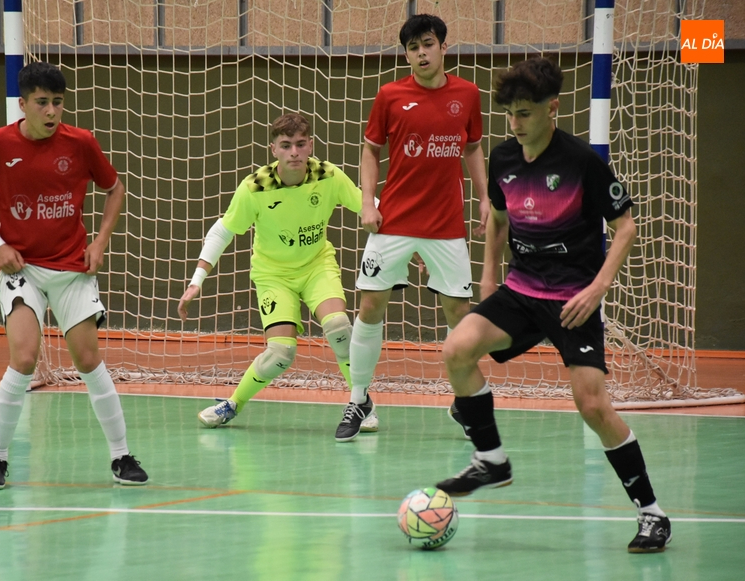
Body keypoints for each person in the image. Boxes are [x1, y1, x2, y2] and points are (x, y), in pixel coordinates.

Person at [436, 57, 671, 552]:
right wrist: (488, 278)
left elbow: (625, 226)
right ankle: (492, 461)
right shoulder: (503, 158)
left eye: (524, 114)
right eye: (511, 115)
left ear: (552, 108)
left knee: (592, 406)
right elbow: (497, 221)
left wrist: (596, 290)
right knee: (457, 349)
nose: (516, 124)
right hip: (521, 290)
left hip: (573, 301)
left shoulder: (581, 162)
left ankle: (651, 513)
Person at [0, 61, 148, 489]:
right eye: (42, 103)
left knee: (87, 360)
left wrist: (99, 241)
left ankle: (122, 457)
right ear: (23, 104)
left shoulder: (80, 143)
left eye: (58, 103)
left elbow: (115, 188)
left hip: (71, 268)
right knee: (24, 358)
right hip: (21, 268)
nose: (51, 112)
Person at [339, 13, 488, 442]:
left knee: (460, 314)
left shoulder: (467, 94)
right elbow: (370, 150)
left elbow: (474, 148)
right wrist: (368, 201)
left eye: (427, 44)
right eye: (412, 47)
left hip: (446, 225)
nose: (420, 53)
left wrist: (482, 197)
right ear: (406, 54)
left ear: (443, 46)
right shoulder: (389, 96)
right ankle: (359, 397)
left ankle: (463, 402)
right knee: (369, 306)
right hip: (394, 223)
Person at [178, 113, 374, 433]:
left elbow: (370, 206)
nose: (294, 152)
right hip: (273, 274)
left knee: (339, 327)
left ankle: (360, 401)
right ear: (274, 150)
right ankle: (233, 404)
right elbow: (221, 233)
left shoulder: (329, 176)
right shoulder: (255, 187)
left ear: (310, 146)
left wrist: (411, 244)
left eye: (300, 144)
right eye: (286, 145)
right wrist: (196, 281)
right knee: (281, 353)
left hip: (316, 266)